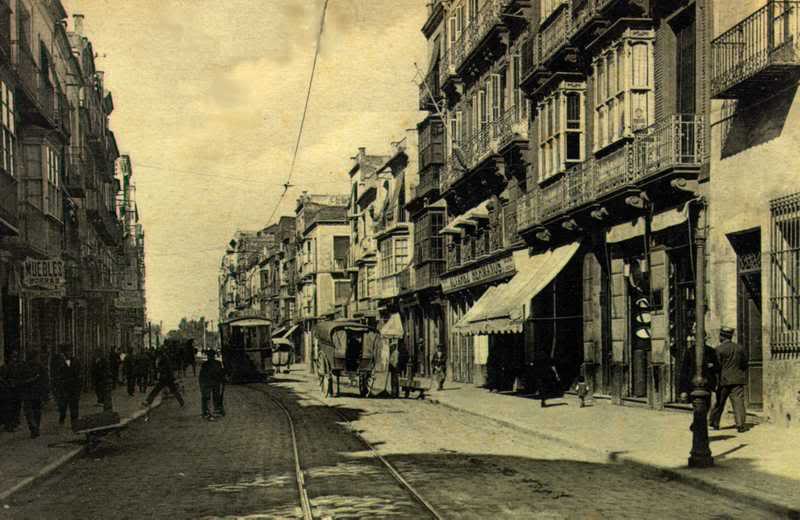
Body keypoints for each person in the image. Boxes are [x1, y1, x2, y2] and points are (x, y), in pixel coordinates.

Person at [710, 326, 749, 432]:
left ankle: (714, 423)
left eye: (720, 335)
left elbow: (717, 366)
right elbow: (745, 364)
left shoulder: (719, 349)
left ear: (722, 336)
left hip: (724, 380)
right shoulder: (739, 348)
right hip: (737, 379)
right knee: (738, 402)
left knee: (719, 402)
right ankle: (740, 425)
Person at [679, 332, 719, 431]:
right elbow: (684, 370)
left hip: (707, 382)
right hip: (693, 383)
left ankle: (697, 422)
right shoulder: (689, 351)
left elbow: (717, 367)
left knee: (707, 404)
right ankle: (698, 423)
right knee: (697, 404)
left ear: (705, 338)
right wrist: (683, 389)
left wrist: (712, 366)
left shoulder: (711, 351)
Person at [19, 350, 49, 438]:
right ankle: (35, 428)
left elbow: (45, 380)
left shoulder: (25, 366)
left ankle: (34, 428)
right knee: (35, 412)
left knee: (31, 412)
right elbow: (45, 380)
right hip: (33, 393)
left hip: (31, 393)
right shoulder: (38, 366)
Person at [53, 345, 81, 427]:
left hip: (72, 386)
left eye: (69, 351)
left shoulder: (74, 361)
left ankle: (74, 421)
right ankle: (62, 419)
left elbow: (77, 373)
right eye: (66, 352)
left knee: (73, 405)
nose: (67, 353)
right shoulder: (59, 361)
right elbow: (57, 373)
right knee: (63, 405)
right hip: (64, 387)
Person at [199, 350, 225, 421]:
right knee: (214, 397)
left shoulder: (205, 364)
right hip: (214, 383)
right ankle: (216, 410)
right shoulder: (217, 363)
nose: (209, 357)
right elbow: (221, 373)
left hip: (210, 383)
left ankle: (207, 411)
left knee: (207, 398)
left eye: (209, 356)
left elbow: (202, 375)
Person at [0, 351, 23, 432]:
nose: (15, 359)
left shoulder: (17, 367)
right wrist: (8, 384)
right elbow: (2, 378)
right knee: (9, 409)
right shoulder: (5, 367)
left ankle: (14, 424)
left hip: (17, 391)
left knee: (16, 407)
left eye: (16, 357)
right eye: (13, 357)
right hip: (8, 391)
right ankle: (9, 426)